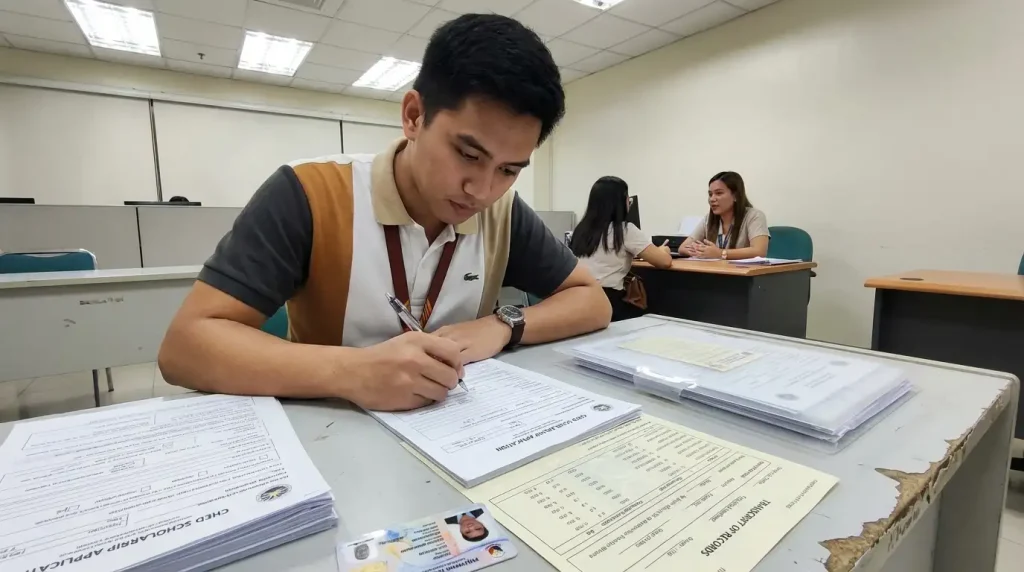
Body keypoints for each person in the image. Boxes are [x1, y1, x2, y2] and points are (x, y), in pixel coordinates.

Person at [157, 14, 611, 412]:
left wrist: (503, 324)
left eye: (509, 169)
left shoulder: (503, 213)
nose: (482, 190)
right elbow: (185, 348)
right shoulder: (309, 193)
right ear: (414, 116)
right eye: (468, 154)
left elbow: (592, 301)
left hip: (458, 431)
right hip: (332, 428)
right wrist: (352, 372)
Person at [570, 176, 672, 322]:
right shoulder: (624, 230)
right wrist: (664, 250)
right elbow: (664, 262)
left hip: (575, 298)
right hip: (606, 301)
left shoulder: (580, 230)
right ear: (620, 203)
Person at [679, 172, 769, 260]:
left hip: (742, 273)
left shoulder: (754, 216)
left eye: (719, 193)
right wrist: (700, 251)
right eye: (710, 194)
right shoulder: (708, 219)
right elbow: (682, 248)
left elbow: (759, 251)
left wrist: (720, 253)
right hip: (715, 271)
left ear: (735, 196)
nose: (712, 199)